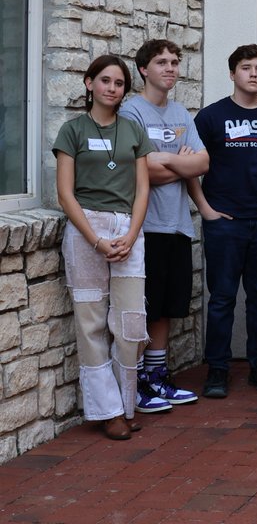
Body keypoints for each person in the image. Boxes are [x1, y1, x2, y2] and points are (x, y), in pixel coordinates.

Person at [189, 45, 257, 399]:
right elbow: (191, 166)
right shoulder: (210, 117)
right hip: (225, 221)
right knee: (222, 298)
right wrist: (205, 209)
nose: (253, 74)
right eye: (246, 68)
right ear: (233, 73)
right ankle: (217, 370)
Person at [54, 55, 153, 440]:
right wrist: (95, 239)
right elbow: (65, 193)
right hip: (86, 231)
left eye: (120, 83)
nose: (113, 88)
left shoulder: (132, 131)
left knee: (131, 324)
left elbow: (143, 188)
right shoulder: (72, 130)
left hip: (128, 228)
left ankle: (125, 403)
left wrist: (131, 234)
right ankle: (108, 411)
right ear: (89, 83)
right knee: (91, 323)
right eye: (106, 81)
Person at [120, 40, 209, 413]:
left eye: (175, 62)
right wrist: (178, 161)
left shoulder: (181, 113)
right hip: (145, 227)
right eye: (161, 62)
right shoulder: (131, 112)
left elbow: (203, 163)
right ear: (144, 69)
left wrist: (164, 160)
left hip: (177, 226)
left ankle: (158, 377)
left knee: (167, 309)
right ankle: (137, 381)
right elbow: (138, 169)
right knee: (145, 308)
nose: (170, 68)